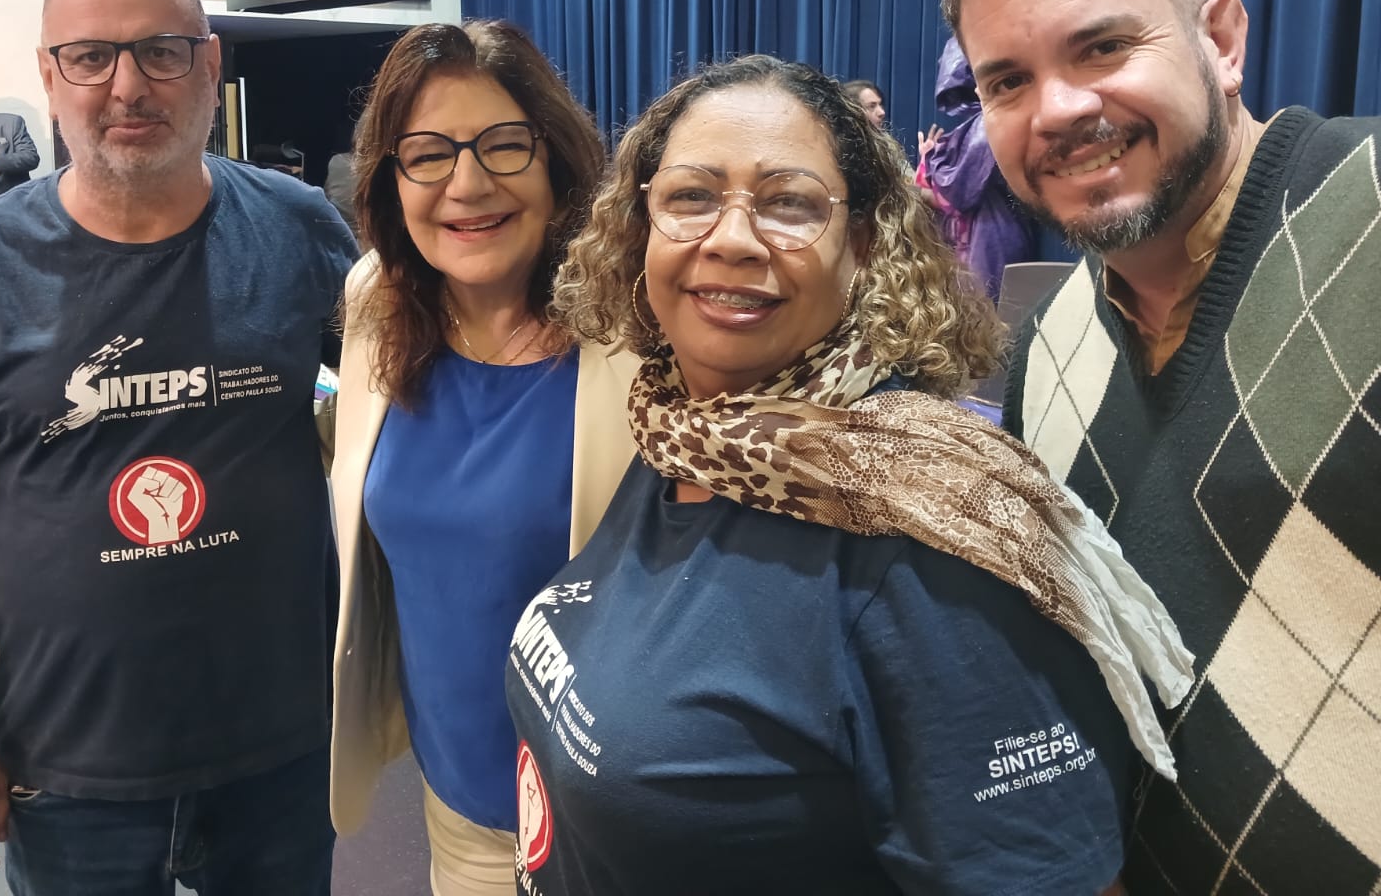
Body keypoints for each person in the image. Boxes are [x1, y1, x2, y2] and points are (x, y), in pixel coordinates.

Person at [505, 55, 1193, 894]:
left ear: (862, 244)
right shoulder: (689, 433)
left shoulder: (926, 538)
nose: (730, 237)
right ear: (640, 225)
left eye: (789, 203)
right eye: (690, 197)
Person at [935, 0, 1381, 894]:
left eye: (1102, 47)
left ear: (1220, 41)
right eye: (1007, 81)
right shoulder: (1045, 354)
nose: (1059, 109)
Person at [0, 0, 360, 894]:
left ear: (210, 67)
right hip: (67, 769)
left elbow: (413, 397)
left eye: (161, 53)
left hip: (284, 755)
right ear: (50, 77)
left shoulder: (300, 229)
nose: (127, 85)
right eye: (90, 56)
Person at [329, 21, 637, 895]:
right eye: (427, 153)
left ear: (557, 161)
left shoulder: (637, 332)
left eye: (504, 144)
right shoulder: (377, 305)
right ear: (391, 178)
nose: (468, 183)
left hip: (616, 827)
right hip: (459, 812)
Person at [914, 40, 1037, 299]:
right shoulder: (980, 123)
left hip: (991, 233)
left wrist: (920, 179)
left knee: (984, 312)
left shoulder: (985, 126)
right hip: (986, 231)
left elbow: (959, 190)